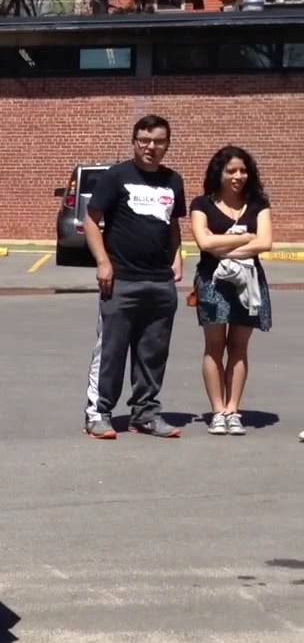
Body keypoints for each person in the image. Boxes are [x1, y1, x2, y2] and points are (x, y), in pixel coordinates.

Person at [82, 114, 186, 440]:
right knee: (112, 351)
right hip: (121, 279)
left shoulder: (173, 181)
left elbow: (173, 225)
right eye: (144, 140)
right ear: (134, 142)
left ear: (167, 144)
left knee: (153, 352)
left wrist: (178, 258)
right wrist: (103, 262)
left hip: (160, 282)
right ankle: (98, 414)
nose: (150, 147)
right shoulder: (117, 176)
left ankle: (146, 414)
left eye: (158, 141)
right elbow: (90, 220)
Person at [189, 146, 273, 436]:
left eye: (243, 170)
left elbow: (265, 243)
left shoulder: (258, 204)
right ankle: (217, 411)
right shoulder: (202, 204)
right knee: (214, 347)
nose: (238, 176)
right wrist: (246, 237)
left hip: (248, 283)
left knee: (239, 347)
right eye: (231, 171)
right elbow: (203, 243)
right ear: (219, 173)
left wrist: (225, 243)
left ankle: (233, 409)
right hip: (212, 282)